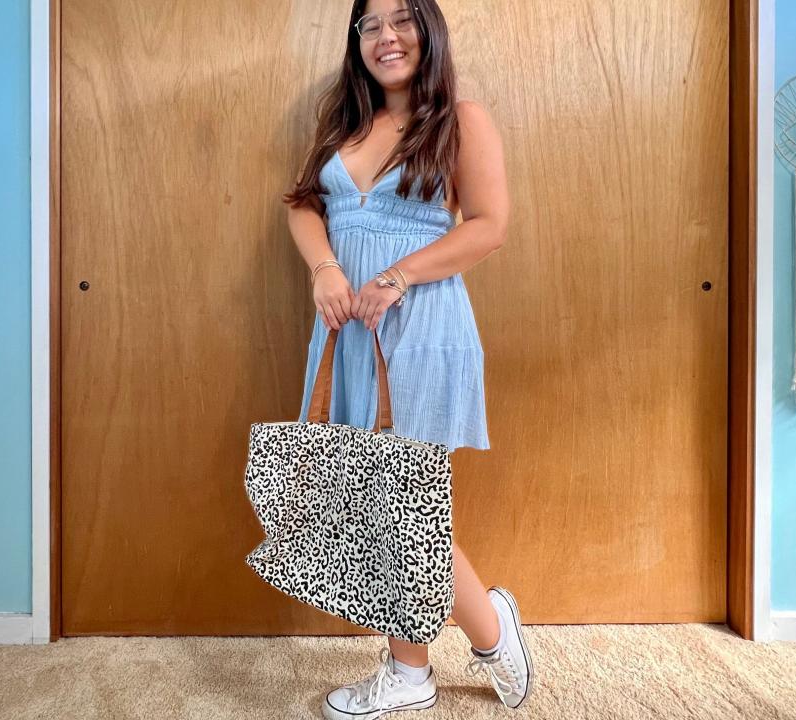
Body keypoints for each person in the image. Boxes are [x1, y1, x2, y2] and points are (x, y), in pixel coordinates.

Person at [282, 1, 533, 717]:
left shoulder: (461, 118)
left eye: (401, 20)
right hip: (346, 329)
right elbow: (303, 203)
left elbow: (489, 226)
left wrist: (398, 276)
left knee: (406, 504)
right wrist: (324, 268)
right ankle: (477, 632)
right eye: (369, 26)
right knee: (375, 500)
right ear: (355, 40)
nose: (385, 37)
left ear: (428, 30)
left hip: (419, 325)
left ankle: (429, 661)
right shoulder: (345, 123)